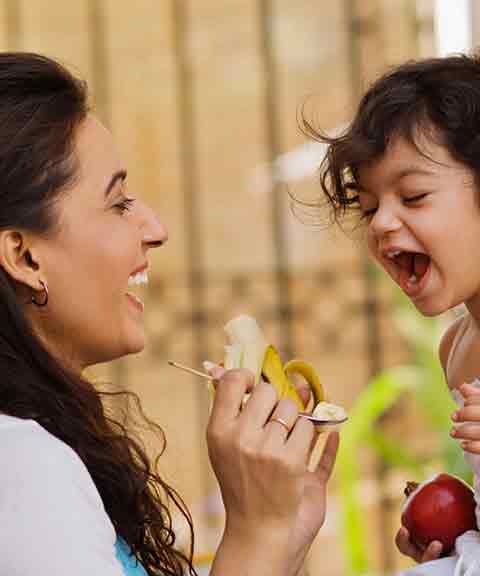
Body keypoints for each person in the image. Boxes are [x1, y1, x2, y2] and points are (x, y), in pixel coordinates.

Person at [0, 52, 339, 576]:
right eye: (118, 203)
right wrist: (256, 532)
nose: (154, 228)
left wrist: (283, 533)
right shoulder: (20, 467)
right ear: (24, 257)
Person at [306, 51, 480, 575]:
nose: (382, 222)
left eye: (413, 195)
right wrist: (458, 527)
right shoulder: (456, 344)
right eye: (368, 207)